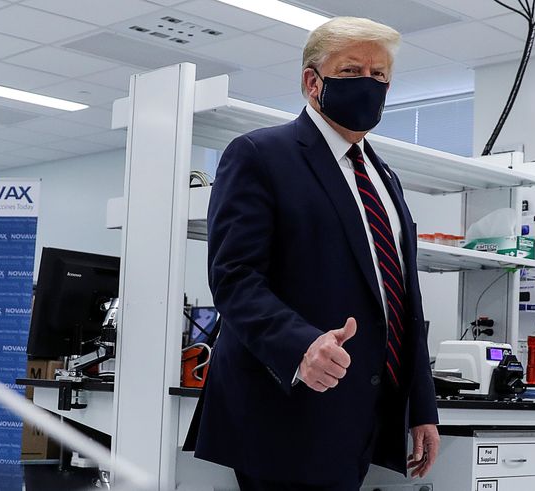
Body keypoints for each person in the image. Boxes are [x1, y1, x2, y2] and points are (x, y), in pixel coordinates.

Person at [183, 16, 440, 490]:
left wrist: (421, 406)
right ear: (311, 81)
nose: (369, 84)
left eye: (380, 75)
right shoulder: (260, 155)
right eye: (351, 72)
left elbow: (402, 297)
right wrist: (299, 343)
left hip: (361, 417)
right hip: (285, 412)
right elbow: (234, 277)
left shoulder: (385, 178)